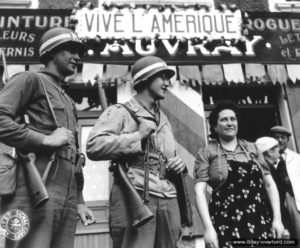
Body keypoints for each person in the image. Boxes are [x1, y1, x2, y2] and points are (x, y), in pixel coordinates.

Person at [0, 27, 95, 248]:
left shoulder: (68, 100)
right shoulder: (30, 79)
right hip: (33, 188)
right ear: (52, 52)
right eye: (70, 50)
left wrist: (79, 202)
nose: (77, 57)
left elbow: (75, 156)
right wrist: (45, 140)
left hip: (66, 195)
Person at [86, 56, 187, 248]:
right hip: (135, 194)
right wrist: (137, 136)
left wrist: (178, 164)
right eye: (162, 77)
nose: (168, 83)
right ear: (146, 78)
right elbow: (94, 146)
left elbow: (169, 156)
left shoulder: (164, 119)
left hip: (167, 197)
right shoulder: (120, 111)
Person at [194, 100, 284, 248]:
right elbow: (199, 191)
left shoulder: (252, 148)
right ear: (215, 127)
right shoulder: (206, 152)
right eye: (224, 119)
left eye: (232, 119)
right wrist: (208, 228)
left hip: (258, 217)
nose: (229, 123)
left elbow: (269, 184)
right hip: (224, 221)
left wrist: (277, 219)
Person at [255, 136, 291, 239]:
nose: (280, 149)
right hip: (276, 219)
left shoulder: (268, 168)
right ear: (270, 151)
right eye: (277, 147)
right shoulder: (268, 171)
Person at [270, 126, 300, 246]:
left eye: (283, 137)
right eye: (277, 138)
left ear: (288, 140)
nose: (280, 140)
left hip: (294, 200)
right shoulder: (267, 159)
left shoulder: (297, 159)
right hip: (277, 202)